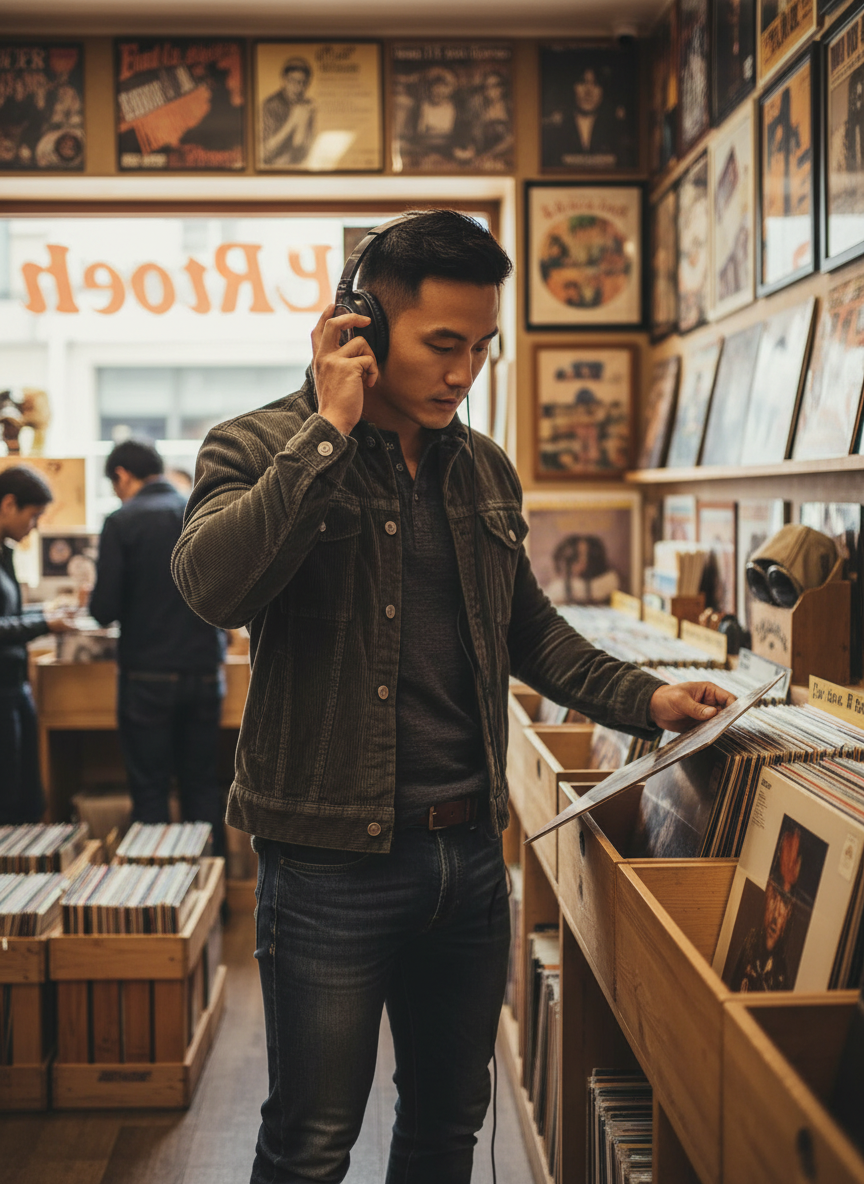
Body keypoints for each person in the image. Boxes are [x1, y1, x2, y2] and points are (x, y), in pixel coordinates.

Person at [171, 210, 734, 1184]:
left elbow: (530, 630)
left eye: (481, 347)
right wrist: (327, 431)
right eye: (443, 344)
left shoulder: (481, 467)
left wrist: (647, 698)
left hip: (469, 859)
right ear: (361, 328)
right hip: (328, 864)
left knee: (447, 1130)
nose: (464, 371)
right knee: (310, 1140)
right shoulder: (259, 444)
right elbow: (211, 586)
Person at [89, 439, 227, 852]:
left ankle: (158, 908)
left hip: (146, 677)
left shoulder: (121, 521)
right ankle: (211, 904)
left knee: (150, 792)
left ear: (123, 476)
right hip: (204, 672)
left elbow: (104, 609)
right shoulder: (201, 512)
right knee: (202, 788)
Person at [0, 465, 75, 823]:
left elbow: (8, 612)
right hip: (3, 690)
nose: (35, 526)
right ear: (8, 504)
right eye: (33, 516)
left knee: (29, 795)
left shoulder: (5, 552)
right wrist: (44, 623)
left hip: (15, 686)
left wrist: (42, 612)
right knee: (9, 798)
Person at [261, 57, 316, 167]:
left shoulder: (308, 105)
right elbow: (265, 151)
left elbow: (306, 145)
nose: (298, 87)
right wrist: (292, 122)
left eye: (302, 83)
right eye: (293, 81)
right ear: (284, 80)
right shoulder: (271, 105)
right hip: (276, 168)